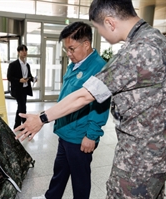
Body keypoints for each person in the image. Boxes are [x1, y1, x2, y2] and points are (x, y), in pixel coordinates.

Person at [15, 0, 166, 198]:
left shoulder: (140, 50)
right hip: (155, 149)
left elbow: (87, 96)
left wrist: (41, 118)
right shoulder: (153, 40)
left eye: (99, 28)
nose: (99, 34)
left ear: (109, 23)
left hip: (143, 155)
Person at [33, 22, 110, 199]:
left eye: (72, 49)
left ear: (86, 44)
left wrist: (91, 135)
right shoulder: (74, 64)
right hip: (66, 130)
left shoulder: (99, 68)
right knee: (60, 171)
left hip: (80, 135)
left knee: (80, 178)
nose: (68, 54)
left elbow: (101, 106)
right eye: (66, 50)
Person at [7, 44, 36, 129]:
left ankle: (17, 125)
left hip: (25, 89)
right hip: (17, 89)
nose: (24, 52)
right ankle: (25, 125)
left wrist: (33, 79)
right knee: (22, 107)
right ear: (18, 52)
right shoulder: (13, 64)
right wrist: (19, 80)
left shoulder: (27, 65)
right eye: (22, 51)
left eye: (25, 50)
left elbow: (29, 75)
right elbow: (9, 77)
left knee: (20, 106)